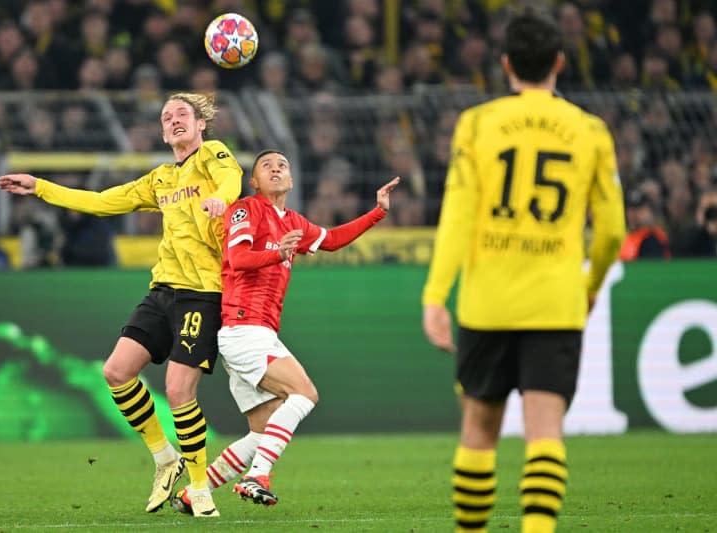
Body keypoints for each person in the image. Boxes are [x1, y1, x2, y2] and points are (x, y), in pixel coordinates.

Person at [421, 12, 625, 533]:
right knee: (544, 432)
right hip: (555, 301)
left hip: (487, 302)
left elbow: (458, 218)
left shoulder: (478, 124)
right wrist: (590, 285)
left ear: (506, 64)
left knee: (479, 429)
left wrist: (436, 295)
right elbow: (610, 233)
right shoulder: (592, 131)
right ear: (560, 62)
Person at [0, 92, 242, 518]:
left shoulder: (213, 156)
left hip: (204, 292)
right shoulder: (160, 179)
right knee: (115, 372)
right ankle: (165, 458)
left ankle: (200, 489)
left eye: (182, 113)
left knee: (179, 390)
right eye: (167, 117)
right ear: (163, 132)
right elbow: (100, 202)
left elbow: (232, 179)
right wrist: (40, 188)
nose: (174, 120)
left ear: (200, 124)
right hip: (163, 288)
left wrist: (221, 198)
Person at [173, 150, 399, 510]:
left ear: (291, 180)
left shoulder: (293, 221)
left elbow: (334, 240)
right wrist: (278, 253)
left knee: (261, 432)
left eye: (283, 166)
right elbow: (238, 260)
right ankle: (256, 476)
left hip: (250, 333)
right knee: (304, 393)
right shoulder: (246, 209)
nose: (276, 170)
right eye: (267, 166)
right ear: (254, 181)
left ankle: (193, 494)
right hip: (245, 327)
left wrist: (379, 212)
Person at [619, 189, 671, 260]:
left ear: (650, 212)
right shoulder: (624, 235)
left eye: (640, 209)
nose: (634, 213)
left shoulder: (652, 239)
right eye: (631, 209)